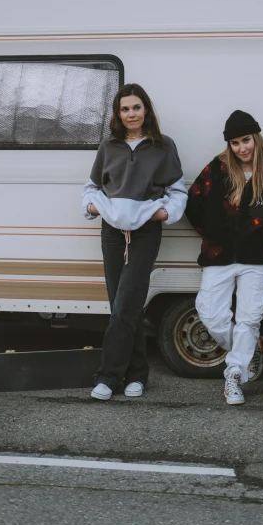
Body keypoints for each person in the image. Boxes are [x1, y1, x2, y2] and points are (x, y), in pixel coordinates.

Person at [186, 110, 263, 405]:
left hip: (257, 259)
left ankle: (233, 374)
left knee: (248, 319)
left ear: (256, 139)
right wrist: (212, 234)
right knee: (211, 313)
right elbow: (193, 203)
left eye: (246, 140)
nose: (242, 148)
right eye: (235, 143)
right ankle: (250, 350)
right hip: (218, 255)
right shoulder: (216, 170)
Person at [82, 83, 187, 400]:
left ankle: (108, 376)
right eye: (125, 109)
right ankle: (137, 374)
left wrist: (163, 213)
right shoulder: (108, 146)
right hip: (112, 232)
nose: (131, 114)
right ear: (118, 113)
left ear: (146, 110)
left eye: (136, 108)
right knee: (122, 305)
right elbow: (92, 186)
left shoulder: (162, 146)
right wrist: (92, 206)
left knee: (127, 303)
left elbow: (178, 190)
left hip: (145, 233)